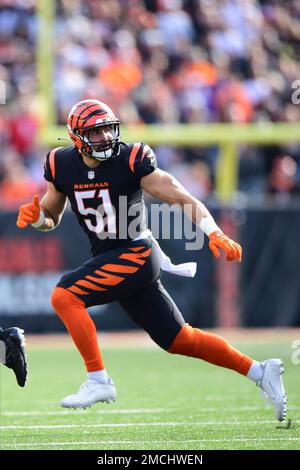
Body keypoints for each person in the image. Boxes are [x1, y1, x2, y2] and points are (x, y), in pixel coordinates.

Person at [16, 99, 286, 420]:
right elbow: (51, 214)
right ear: (76, 138)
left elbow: (181, 195)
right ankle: (260, 371)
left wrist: (213, 232)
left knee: (65, 295)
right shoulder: (60, 164)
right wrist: (37, 218)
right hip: (113, 257)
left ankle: (98, 379)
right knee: (179, 339)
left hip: (136, 252)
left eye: (108, 129)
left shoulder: (131, 159)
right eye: (95, 131)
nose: (104, 137)